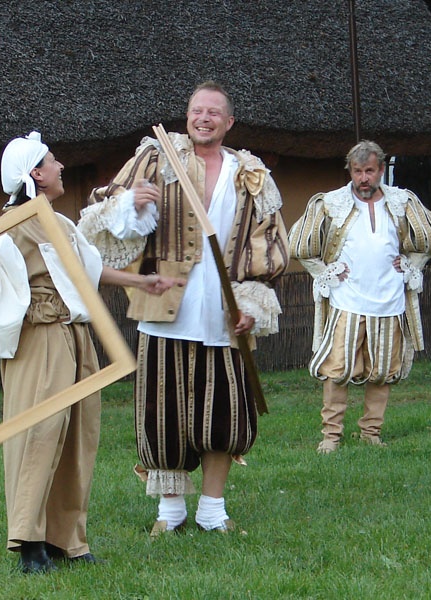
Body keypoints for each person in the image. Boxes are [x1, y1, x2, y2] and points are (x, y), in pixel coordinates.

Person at [0, 132, 183, 573]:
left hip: (75, 337)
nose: (60, 168)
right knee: (39, 435)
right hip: (39, 340)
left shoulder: (61, 223)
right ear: (35, 173)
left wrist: (141, 282)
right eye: (53, 162)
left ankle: (66, 540)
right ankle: (28, 543)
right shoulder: (11, 225)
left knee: (77, 436)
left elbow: (89, 270)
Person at [78, 81, 289, 536]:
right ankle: (169, 513)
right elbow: (101, 216)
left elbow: (268, 246)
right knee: (163, 416)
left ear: (229, 122)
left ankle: (212, 510)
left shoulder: (250, 173)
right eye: (197, 110)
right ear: (187, 116)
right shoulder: (158, 157)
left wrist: (251, 302)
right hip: (164, 309)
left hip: (222, 316)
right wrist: (130, 205)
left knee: (226, 416)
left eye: (214, 112)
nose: (204, 118)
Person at [289, 141, 431, 453]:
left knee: (383, 371)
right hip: (347, 301)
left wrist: (410, 265)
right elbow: (299, 246)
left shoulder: (401, 202)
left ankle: (371, 433)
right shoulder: (331, 203)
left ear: (381, 170)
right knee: (338, 369)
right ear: (350, 171)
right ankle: (331, 436)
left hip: (389, 301)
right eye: (358, 171)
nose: (364, 178)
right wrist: (326, 271)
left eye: (370, 171)